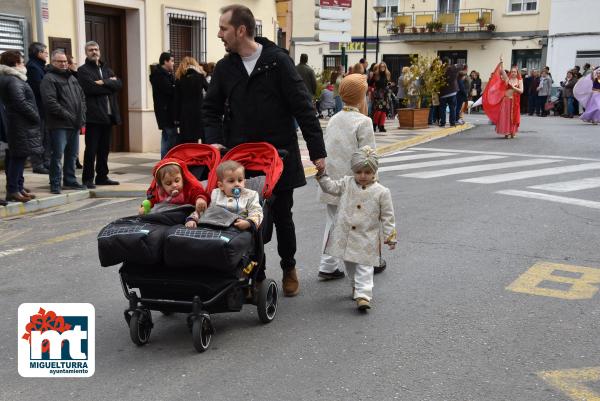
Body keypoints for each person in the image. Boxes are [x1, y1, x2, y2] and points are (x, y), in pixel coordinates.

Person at [202, 4, 327, 297]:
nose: (219, 34)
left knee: (282, 215)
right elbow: (210, 109)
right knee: (243, 217)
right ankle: (254, 274)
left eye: (223, 28)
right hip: (240, 160)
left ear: (241, 30)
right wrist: (214, 141)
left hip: (278, 156)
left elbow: (303, 106)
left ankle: (289, 266)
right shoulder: (225, 67)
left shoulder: (276, 61)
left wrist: (317, 150)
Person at [315, 146, 396, 311]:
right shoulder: (346, 183)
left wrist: (390, 236)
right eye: (358, 172)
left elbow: (388, 216)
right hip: (345, 234)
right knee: (350, 264)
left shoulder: (382, 192)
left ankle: (364, 295)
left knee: (365, 266)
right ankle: (355, 285)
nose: (363, 176)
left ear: (374, 172)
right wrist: (322, 174)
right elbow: (330, 187)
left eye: (367, 172)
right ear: (353, 171)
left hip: (367, 237)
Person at [317, 73, 375, 281]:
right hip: (354, 184)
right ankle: (361, 270)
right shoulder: (363, 122)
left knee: (332, 221)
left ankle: (328, 264)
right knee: (358, 226)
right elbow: (368, 157)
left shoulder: (334, 119)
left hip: (332, 182)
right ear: (362, 95)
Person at [40, 50, 87, 194]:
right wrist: (68, 115)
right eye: (60, 61)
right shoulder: (49, 79)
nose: (64, 64)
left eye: (65, 61)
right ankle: (55, 183)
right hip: (59, 125)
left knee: (72, 155)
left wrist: (82, 115)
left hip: (74, 123)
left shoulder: (72, 78)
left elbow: (82, 98)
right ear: (53, 62)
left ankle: (70, 180)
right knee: (57, 155)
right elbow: (50, 102)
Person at [78, 40, 122, 189]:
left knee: (104, 149)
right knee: (91, 150)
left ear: (100, 51)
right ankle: (87, 178)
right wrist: (109, 84)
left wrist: (102, 82)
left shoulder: (106, 69)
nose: (94, 52)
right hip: (94, 117)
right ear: (86, 52)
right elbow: (89, 88)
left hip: (108, 116)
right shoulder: (83, 70)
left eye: (96, 49)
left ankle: (102, 176)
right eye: (90, 50)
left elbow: (119, 85)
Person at [0, 51, 42, 202]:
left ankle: (18, 187)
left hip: (18, 124)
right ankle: (13, 190)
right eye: (22, 62)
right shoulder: (13, 80)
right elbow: (20, 103)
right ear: (15, 63)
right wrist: (35, 116)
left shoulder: (12, 78)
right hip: (20, 124)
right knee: (18, 156)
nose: (24, 64)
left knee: (18, 156)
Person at [189, 160, 263, 230]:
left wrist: (249, 222)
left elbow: (256, 211)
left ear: (244, 182)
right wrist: (192, 219)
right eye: (231, 181)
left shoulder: (250, 195)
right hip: (215, 227)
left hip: (237, 228)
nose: (237, 184)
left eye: (240, 180)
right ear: (221, 186)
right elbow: (204, 211)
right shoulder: (215, 195)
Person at [139, 158, 209, 218]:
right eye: (168, 183)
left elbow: (198, 193)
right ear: (161, 185)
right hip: (168, 214)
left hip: (184, 214)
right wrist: (144, 207)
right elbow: (152, 200)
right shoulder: (160, 192)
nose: (174, 185)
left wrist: (200, 199)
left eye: (177, 180)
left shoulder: (188, 189)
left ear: (183, 178)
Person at [26, 42, 50, 174]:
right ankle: (38, 164)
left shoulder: (41, 66)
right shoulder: (33, 67)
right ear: (39, 53)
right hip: (38, 108)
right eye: (45, 52)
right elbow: (39, 88)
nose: (47, 54)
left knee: (46, 136)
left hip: (44, 108)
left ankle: (46, 161)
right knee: (38, 137)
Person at [483, 59, 522, 139]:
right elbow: (503, 71)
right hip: (506, 101)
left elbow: (521, 91)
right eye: (512, 71)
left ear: (517, 72)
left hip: (514, 101)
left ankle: (512, 132)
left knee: (513, 117)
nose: (513, 73)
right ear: (510, 72)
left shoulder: (519, 81)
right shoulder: (507, 79)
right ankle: (506, 132)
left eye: (515, 72)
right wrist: (501, 62)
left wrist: (514, 88)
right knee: (506, 117)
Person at [175, 56, 209, 144]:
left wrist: (176, 117)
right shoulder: (200, 76)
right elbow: (209, 90)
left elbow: (177, 99)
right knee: (202, 136)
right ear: (195, 65)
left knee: (188, 141)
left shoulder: (179, 78)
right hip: (199, 111)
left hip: (185, 113)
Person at [150, 52, 178, 158]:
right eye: (171, 61)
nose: (173, 64)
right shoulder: (159, 75)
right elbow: (170, 90)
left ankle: (165, 162)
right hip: (166, 113)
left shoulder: (166, 75)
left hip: (168, 112)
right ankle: (165, 162)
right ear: (165, 61)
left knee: (168, 137)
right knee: (169, 138)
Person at [438, 58, 462, 127]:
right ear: (449, 62)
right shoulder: (452, 68)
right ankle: (452, 123)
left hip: (442, 92)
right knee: (452, 108)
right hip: (452, 92)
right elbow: (461, 65)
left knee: (442, 108)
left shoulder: (439, 70)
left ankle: (442, 123)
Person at [372, 62, 391, 132]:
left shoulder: (387, 74)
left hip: (385, 94)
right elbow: (370, 83)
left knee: (384, 111)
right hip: (378, 95)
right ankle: (374, 125)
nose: (382, 68)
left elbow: (387, 83)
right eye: (381, 67)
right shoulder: (376, 74)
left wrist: (389, 84)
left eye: (384, 67)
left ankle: (381, 126)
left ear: (385, 67)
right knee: (378, 111)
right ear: (379, 67)